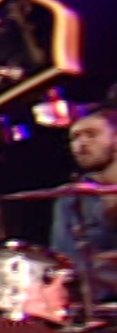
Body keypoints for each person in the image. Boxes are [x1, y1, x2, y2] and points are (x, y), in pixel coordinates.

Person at [50, 107, 117, 294]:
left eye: (91, 135)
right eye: (75, 138)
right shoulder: (71, 199)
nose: (81, 144)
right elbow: (65, 260)